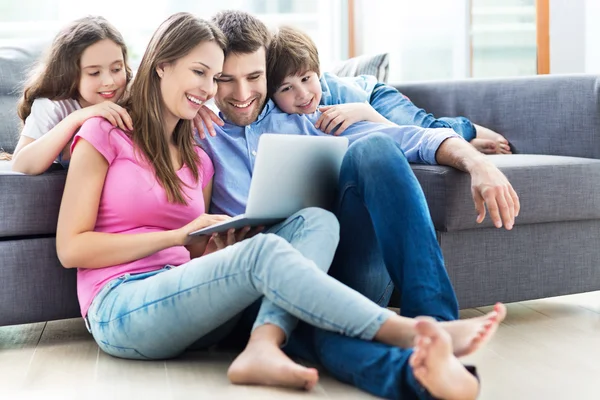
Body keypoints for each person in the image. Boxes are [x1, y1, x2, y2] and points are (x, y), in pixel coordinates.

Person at [55, 12, 502, 400]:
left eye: (219, 76)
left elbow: (411, 138)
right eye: (212, 76)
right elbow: (70, 238)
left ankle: (424, 354)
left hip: (235, 283)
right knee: (283, 280)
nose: (224, 90)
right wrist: (187, 238)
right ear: (163, 66)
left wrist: (472, 159)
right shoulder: (141, 134)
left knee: (326, 214)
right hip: (149, 296)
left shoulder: (216, 151)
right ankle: (415, 338)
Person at [188, 9, 517, 399]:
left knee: (375, 147)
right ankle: (423, 376)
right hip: (269, 290)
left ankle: (434, 324)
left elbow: (411, 138)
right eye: (226, 81)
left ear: (266, 70)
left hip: (347, 271)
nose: (242, 95)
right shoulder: (195, 130)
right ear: (210, 78)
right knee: (317, 330)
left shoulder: (304, 114)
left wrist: (477, 163)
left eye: (255, 78)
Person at [266, 26, 511, 154]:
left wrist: (364, 111)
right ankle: (466, 144)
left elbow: (403, 135)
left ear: (317, 73)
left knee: (426, 128)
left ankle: (466, 128)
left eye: (307, 79)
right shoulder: (276, 116)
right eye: (287, 88)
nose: (303, 94)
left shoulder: (337, 92)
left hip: (373, 99)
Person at [7, 16, 133, 175]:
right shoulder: (54, 105)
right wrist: (76, 118)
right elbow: (21, 164)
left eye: (116, 69)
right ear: (70, 74)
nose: (109, 81)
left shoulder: (131, 92)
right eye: (94, 73)